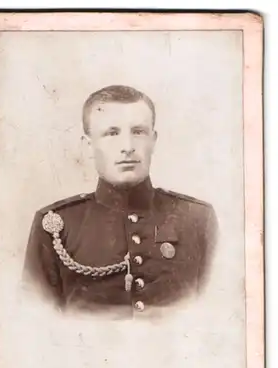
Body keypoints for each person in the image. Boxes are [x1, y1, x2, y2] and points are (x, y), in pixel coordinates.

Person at [23, 85, 218, 315]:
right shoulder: (55, 226)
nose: (127, 148)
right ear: (88, 146)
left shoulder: (196, 219)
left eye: (138, 132)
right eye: (112, 133)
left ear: (153, 141)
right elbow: (35, 327)